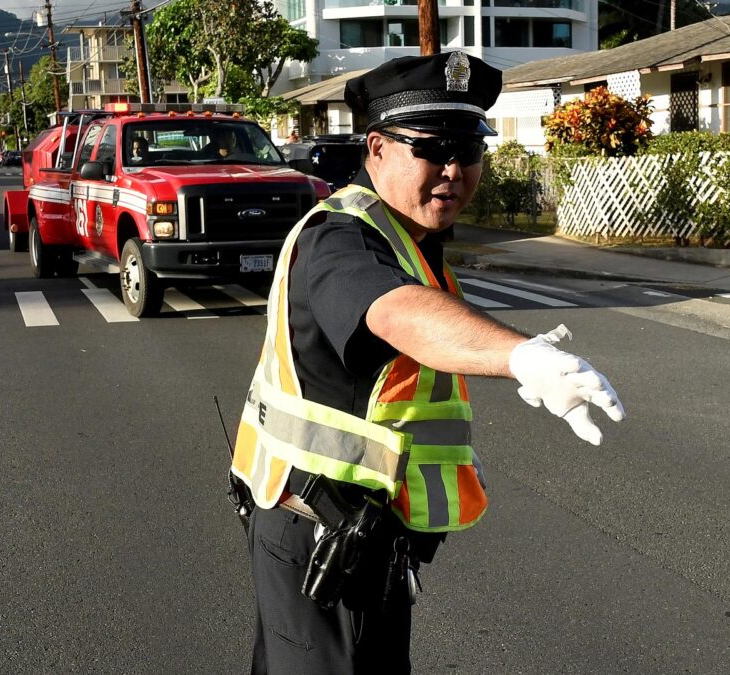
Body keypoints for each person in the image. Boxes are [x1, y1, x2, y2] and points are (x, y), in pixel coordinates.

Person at [231, 52, 625, 674]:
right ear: (378, 148)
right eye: (433, 148)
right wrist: (523, 357)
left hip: (356, 536)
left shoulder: (409, 235)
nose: (453, 169)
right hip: (320, 533)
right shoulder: (343, 235)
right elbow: (394, 311)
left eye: (469, 151)